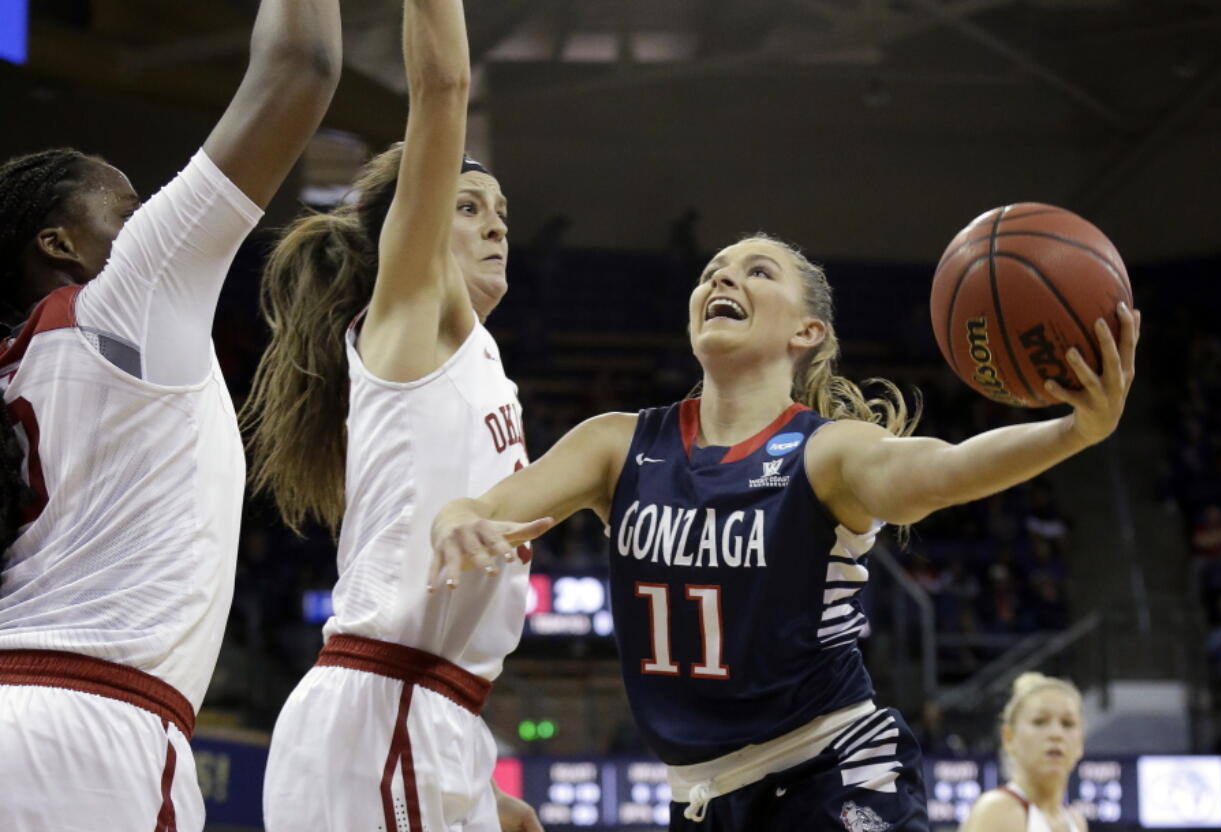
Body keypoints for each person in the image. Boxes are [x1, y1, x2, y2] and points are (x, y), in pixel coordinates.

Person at [431, 232, 1140, 831]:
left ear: (807, 333)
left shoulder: (828, 451)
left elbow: (944, 470)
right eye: (713, 271)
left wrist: (1073, 433)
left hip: (833, 766)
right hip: (701, 796)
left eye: (757, 271)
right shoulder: (618, 445)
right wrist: (458, 516)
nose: (723, 277)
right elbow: (487, 506)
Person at [0, 2, 342, 829]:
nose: (150, 219)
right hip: (94, 728)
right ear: (60, 244)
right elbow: (303, 64)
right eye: (128, 210)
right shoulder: (124, 302)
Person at [242, 1, 540, 830]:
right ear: (412, 227)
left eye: (503, 215)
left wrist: (477, 789)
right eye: (469, 206)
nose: (495, 227)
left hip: (419, 714)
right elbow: (443, 85)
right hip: (393, 707)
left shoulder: (478, 367)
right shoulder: (410, 318)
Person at [961, 673, 1087, 832]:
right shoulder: (997, 810)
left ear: (1081, 742)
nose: (1056, 733)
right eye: (1040, 721)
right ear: (1008, 737)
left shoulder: (1076, 820)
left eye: (1067, 724)